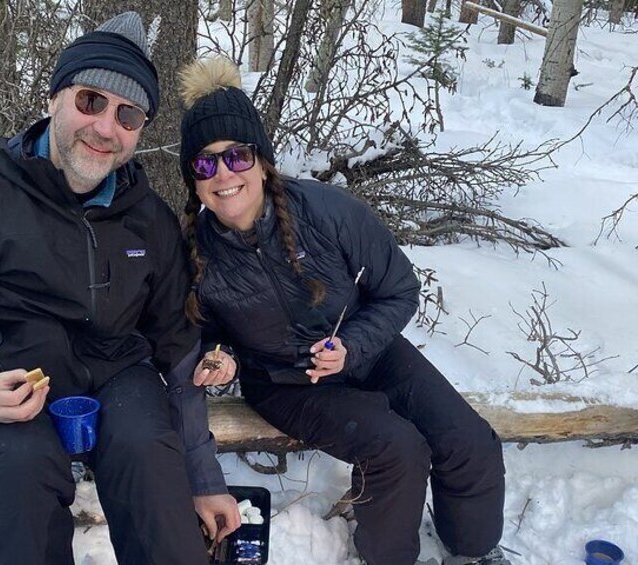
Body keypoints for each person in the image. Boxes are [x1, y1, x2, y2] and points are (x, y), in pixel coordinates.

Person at [0, 13, 239, 565]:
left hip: (122, 377)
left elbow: (177, 349)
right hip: (16, 380)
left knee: (153, 471)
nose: (105, 128)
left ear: (141, 130)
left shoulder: (148, 219)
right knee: (19, 487)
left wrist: (203, 475)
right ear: (53, 97)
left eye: (128, 114)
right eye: (90, 101)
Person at [179, 57, 510, 565]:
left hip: (369, 352)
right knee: (397, 451)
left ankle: (473, 551)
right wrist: (221, 357)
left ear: (262, 161)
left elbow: (399, 289)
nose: (224, 174)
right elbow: (205, 336)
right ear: (194, 181)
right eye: (206, 163)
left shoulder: (328, 211)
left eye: (237, 156)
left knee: (469, 443)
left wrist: (353, 345)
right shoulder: (196, 252)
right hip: (286, 382)